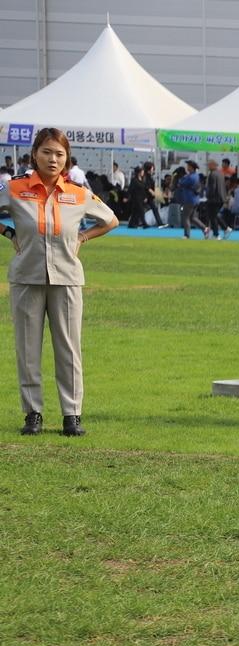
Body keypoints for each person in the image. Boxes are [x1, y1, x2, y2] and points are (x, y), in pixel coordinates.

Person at [1, 128, 119, 436]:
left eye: (59, 154)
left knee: (69, 348)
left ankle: (72, 414)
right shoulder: (16, 189)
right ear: (35, 155)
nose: (53, 159)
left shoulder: (77, 192)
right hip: (27, 277)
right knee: (27, 348)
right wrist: (10, 234)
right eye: (47, 152)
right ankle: (33, 413)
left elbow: (110, 220)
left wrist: (82, 236)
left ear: (66, 159)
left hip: (67, 278)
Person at [174, 160, 211, 239]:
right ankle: (205, 229)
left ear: (192, 167)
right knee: (193, 218)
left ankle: (186, 235)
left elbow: (181, 183)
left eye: (188, 166)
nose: (187, 167)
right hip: (195, 200)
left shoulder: (190, 177)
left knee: (185, 217)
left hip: (189, 200)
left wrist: (181, 179)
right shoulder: (195, 175)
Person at [203, 159, 231, 239]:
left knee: (212, 217)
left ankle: (217, 233)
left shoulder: (212, 174)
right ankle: (224, 229)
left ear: (213, 165)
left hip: (214, 199)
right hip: (221, 198)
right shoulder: (221, 173)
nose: (208, 166)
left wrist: (208, 196)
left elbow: (212, 187)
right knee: (214, 216)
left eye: (209, 165)